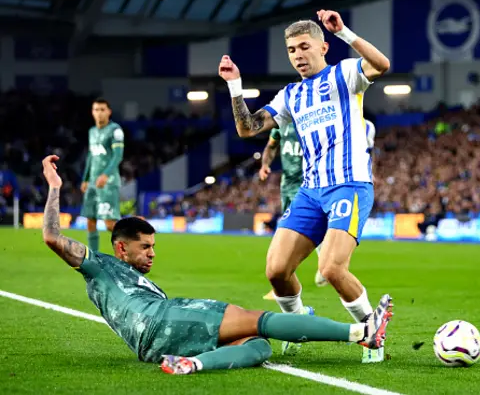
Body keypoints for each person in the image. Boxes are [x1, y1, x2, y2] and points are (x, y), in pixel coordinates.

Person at [39, 155, 393, 375]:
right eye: (144, 247)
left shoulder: (131, 279)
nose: (152, 253)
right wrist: (54, 187)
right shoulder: (99, 265)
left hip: (155, 338)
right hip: (159, 319)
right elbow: (53, 238)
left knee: (257, 344)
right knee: (259, 319)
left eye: (154, 246)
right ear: (121, 248)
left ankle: (193, 364)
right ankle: (361, 333)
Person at [218, 9, 390, 363]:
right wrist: (235, 85)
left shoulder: (344, 74)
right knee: (276, 271)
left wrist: (345, 32)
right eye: (291, 50)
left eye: (304, 47)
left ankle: (373, 333)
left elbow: (381, 64)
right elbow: (248, 128)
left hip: (349, 185)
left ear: (323, 47)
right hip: (310, 192)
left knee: (330, 269)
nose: (298, 55)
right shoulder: (290, 95)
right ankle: (298, 324)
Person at [259, 122, 328, 298]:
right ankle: (285, 280)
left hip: (309, 184)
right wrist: (265, 164)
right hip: (287, 186)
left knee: (303, 230)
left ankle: (324, 266)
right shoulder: (281, 124)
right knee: (288, 231)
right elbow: (271, 146)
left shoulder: (313, 122)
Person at [80, 98, 124, 253]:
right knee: (90, 220)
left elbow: (118, 156)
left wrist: (105, 175)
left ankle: (124, 256)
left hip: (108, 183)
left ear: (109, 112)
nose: (99, 113)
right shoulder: (92, 132)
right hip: (92, 182)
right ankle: (94, 257)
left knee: (110, 224)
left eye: (102, 109)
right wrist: (85, 178)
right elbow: (91, 156)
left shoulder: (115, 130)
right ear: (92, 112)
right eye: (96, 110)